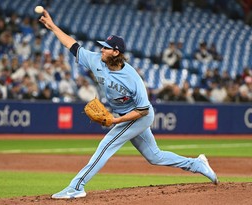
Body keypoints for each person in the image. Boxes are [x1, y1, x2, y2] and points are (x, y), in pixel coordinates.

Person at [39, 9, 219, 199]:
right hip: (125, 114)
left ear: (116, 52)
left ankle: (76, 186)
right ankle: (197, 164)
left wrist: (117, 121)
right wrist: (53, 27)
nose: (102, 49)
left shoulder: (132, 78)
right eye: (102, 46)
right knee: (154, 156)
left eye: (106, 48)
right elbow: (73, 46)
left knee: (106, 144)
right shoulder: (96, 60)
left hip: (139, 115)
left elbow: (142, 110)